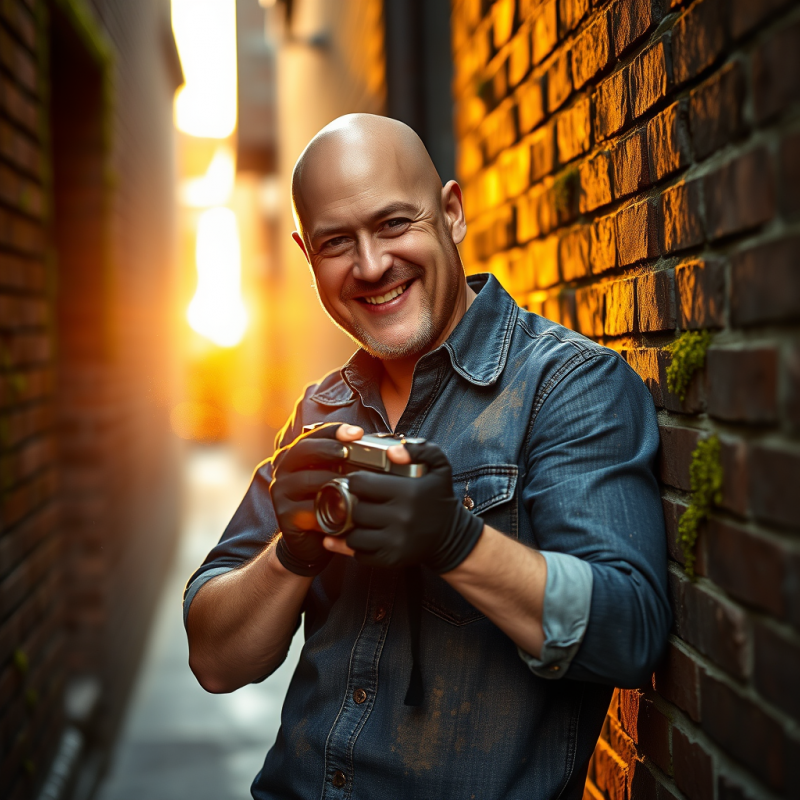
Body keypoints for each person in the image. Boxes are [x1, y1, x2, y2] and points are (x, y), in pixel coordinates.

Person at [184, 114, 671, 799]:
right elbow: (213, 657)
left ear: (451, 213)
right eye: (335, 242)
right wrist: (291, 553)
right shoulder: (320, 412)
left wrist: (454, 540)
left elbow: (631, 631)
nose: (371, 265)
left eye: (392, 224)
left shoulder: (567, 386)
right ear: (307, 255)